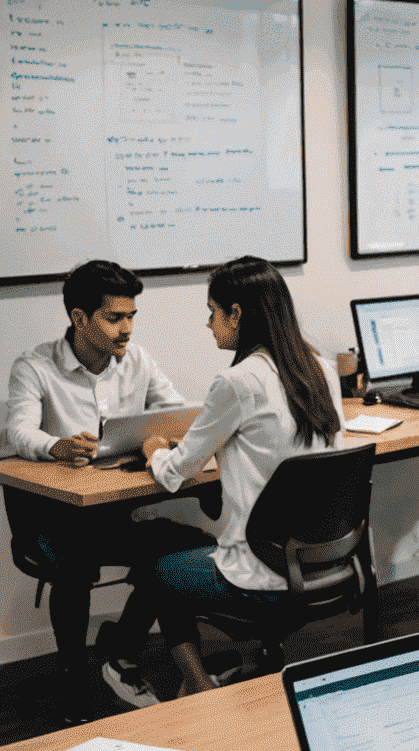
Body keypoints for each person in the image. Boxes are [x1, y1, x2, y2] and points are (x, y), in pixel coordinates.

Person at [100, 256, 345, 702]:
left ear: (236, 314)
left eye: (212, 311)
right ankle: (165, 670)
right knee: (181, 551)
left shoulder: (237, 382)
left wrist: (154, 449)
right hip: (324, 566)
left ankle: (196, 689)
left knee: (159, 569)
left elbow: (175, 474)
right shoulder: (323, 370)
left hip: (265, 578)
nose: (208, 322)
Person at [6, 258, 209, 722]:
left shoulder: (137, 360)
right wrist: (54, 446)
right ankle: (75, 671)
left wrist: (171, 433)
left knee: (183, 547)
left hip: (115, 511)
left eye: (131, 316)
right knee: (74, 566)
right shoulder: (35, 366)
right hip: (54, 520)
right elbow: (18, 431)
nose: (126, 329)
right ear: (80, 318)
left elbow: (175, 409)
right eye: (114, 318)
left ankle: (123, 649)